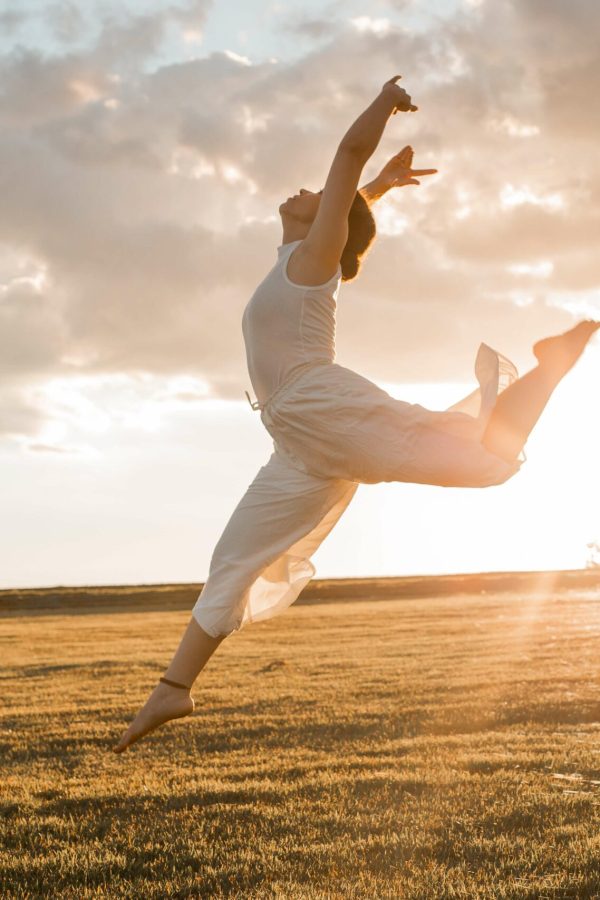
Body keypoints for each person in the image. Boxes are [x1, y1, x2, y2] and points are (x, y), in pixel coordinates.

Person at [113, 76, 599, 753]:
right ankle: (174, 690)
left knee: (486, 461)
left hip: (323, 409)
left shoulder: (311, 264)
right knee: (233, 560)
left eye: (320, 200)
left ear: (326, 226)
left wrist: (382, 105)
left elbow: (344, 161)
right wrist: (383, 189)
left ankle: (551, 365)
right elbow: (348, 203)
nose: (306, 193)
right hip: (298, 442)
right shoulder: (301, 256)